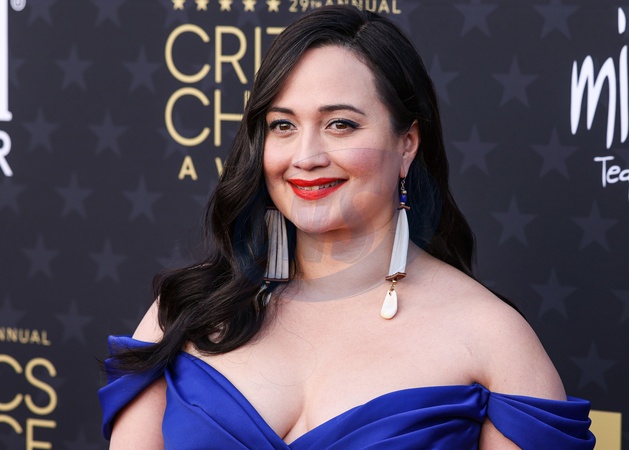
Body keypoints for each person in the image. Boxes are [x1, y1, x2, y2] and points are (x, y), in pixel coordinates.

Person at [99, 5, 595, 449]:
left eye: (341, 124)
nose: (306, 157)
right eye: (283, 125)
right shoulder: (184, 312)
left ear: (407, 144)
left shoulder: (492, 339)